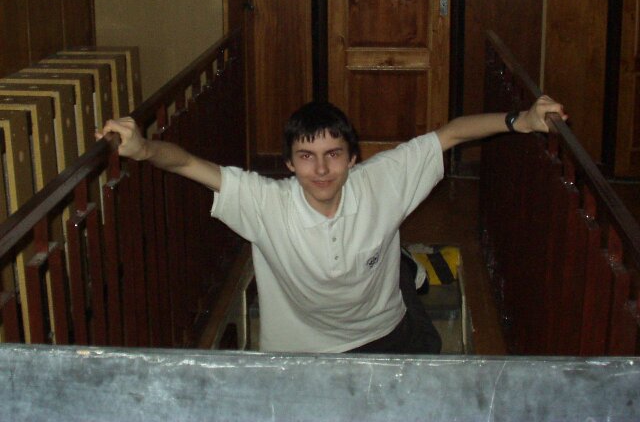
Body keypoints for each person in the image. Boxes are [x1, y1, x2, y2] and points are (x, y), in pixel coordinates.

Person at [97, 95, 567, 354]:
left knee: (426, 363)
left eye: (333, 155)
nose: (321, 170)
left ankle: (401, 267)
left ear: (353, 158)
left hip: (385, 330)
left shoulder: (381, 180)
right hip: (301, 350)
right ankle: (402, 264)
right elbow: (187, 164)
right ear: (288, 163)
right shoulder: (265, 202)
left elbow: (450, 134)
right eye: (306, 157)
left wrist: (522, 120)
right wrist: (144, 149)